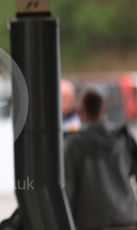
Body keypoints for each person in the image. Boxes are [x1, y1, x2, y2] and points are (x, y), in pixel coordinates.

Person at [64, 89, 137, 229]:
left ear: (80, 112)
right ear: (104, 110)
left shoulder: (72, 145)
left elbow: (68, 188)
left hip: (91, 222)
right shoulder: (123, 138)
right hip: (126, 219)